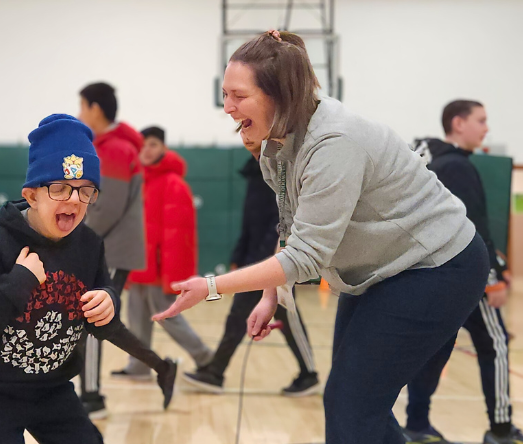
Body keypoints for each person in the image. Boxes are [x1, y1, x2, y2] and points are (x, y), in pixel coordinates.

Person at [152, 30, 489, 444]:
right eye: (225, 94)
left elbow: (307, 258)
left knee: (354, 407)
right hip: (380, 270)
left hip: (437, 267)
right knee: (351, 405)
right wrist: (270, 295)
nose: (227, 108)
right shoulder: (276, 145)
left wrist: (210, 286)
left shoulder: (334, 142)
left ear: (279, 94)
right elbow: (292, 228)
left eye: (238, 95)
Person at [0, 115, 175, 444]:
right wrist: (17, 284)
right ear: (32, 195)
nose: (73, 199)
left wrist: (108, 299)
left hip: (50, 389)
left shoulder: (90, 245)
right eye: (59, 188)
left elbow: (102, 310)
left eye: (86, 191)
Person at [405, 101, 523, 444]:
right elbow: (472, 227)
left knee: (435, 351)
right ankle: (502, 429)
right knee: (496, 344)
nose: (486, 128)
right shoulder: (457, 167)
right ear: (459, 124)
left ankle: (416, 425)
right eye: (481, 120)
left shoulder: (436, 162)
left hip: (436, 275)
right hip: (467, 275)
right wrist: (493, 276)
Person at [183, 154, 319, 396]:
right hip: (255, 262)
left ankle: (308, 374)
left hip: (273, 262)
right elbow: (249, 225)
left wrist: (265, 261)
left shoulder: (282, 174)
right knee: (243, 317)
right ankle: (216, 371)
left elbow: (281, 224)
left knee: (284, 316)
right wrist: (240, 255)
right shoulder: (255, 176)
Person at [78, 82, 175, 418]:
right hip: (108, 247)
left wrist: (77, 238)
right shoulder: (104, 146)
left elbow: (107, 207)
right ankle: (162, 367)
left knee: (91, 318)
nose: (79, 114)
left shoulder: (116, 149)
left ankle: (91, 398)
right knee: (101, 322)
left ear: (95, 109)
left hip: (113, 250)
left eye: (81, 107)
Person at [112, 126, 213, 378]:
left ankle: (206, 358)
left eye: (153, 144)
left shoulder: (173, 184)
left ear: (164, 148)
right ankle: (138, 365)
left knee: (169, 318)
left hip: (159, 270)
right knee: (136, 319)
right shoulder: (138, 181)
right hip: (137, 265)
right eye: (143, 145)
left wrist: (174, 276)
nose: (146, 150)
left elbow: (180, 237)